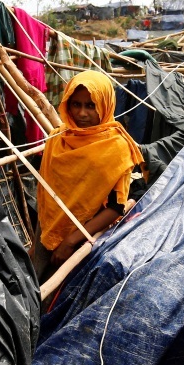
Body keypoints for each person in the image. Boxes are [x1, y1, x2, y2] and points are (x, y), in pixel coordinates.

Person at [36, 70, 146, 276]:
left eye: (91, 105)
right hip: (47, 229)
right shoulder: (57, 138)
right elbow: (47, 193)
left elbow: (115, 207)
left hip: (87, 238)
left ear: (105, 105)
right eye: (76, 104)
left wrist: (70, 241)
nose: (82, 113)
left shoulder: (116, 147)